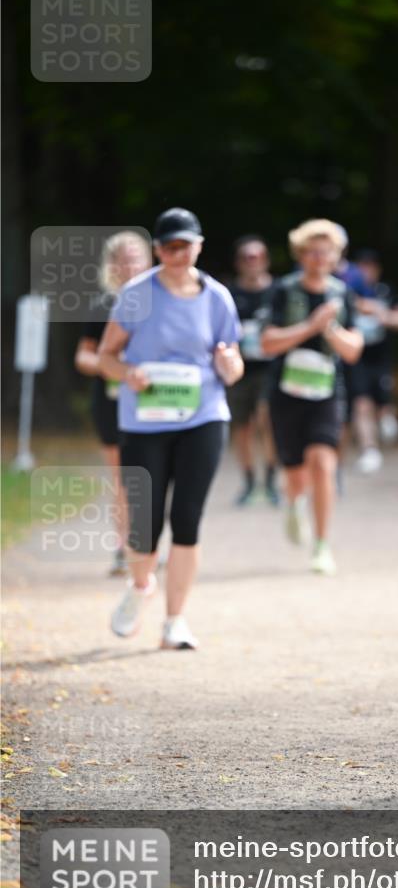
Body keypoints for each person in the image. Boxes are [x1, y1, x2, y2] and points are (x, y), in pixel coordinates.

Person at [98, 208, 243, 650]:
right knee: (145, 521)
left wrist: (227, 362)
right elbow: (106, 355)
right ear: (158, 249)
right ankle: (141, 587)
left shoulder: (217, 297)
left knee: (187, 519)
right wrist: (128, 375)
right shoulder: (137, 294)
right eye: (169, 246)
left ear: (199, 245)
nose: (178, 253)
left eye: (186, 245)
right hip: (145, 421)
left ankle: (175, 621)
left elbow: (234, 365)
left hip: (203, 416)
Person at [261, 219, 363, 575]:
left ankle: (321, 545)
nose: (321, 258)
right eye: (313, 251)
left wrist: (329, 328)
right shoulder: (283, 290)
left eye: (328, 252)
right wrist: (310, 325)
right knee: (296, 473)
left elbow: (353, 350)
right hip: (286, 392)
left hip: (327, 391)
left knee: (322, 462)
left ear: (337, 256)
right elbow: (267, 342)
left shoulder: (342, 294)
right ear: (301, 255)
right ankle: (293, 503)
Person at [74, 231, 153, 575]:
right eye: (121, 258)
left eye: (135, 257)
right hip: (111, 403)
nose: (129, 264)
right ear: (111, 266)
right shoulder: (104, 305)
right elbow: (84, 356)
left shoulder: (162, 301)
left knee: (154, 472)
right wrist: (112, 369)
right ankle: (124, 547)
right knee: (122, 477)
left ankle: (149, 541)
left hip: (154, 403)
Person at [226, 236, 279, 506]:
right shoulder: (228, 294)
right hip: (238, 370)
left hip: (270, 369)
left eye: (256, 257)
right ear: (238, 262)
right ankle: (248, 480)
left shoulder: (278, 291)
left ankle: (271, 479)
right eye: (247, 257)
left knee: (267, 421)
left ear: (265, 260)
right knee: (242, 428)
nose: (252, 262)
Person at [349, 249, 398, 473]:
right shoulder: (346, 292)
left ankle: (386, 415)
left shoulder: (386, 291)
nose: (367, 271)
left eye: (371, 266)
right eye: (362, 266)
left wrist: (380, 314)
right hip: (355, 357)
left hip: (381, 357)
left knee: (382, 403)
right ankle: (369, 449)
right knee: (361, 403)